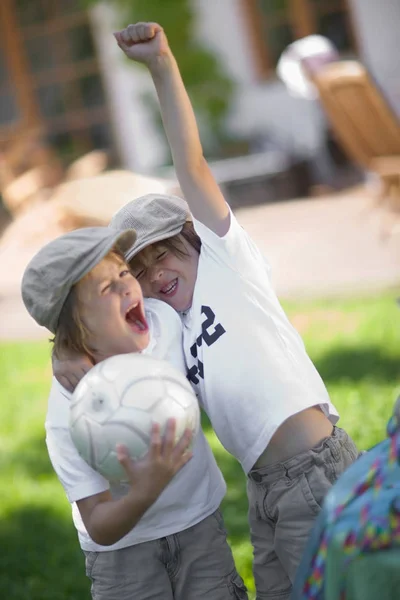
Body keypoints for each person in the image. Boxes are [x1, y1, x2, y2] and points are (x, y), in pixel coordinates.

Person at [55, 22, 359, 599]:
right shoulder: (171, 325)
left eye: (161, 254)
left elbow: (191, 165)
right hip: (262, 486)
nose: (153, 276)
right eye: (138, 272)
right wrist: (66, 357)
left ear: (193, 239)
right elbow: (101, 324)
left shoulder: (227, 262)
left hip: (313, 470)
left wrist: (162, 64)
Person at [21, 226, 247, 600]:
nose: (128, 287)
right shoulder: (70, 413)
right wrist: (144, 490)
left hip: (199, 527)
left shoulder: (164, 322)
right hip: (124, 558)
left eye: (124, 273)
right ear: (75, 331)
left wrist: (64, 348)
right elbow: (99, 525)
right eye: (107, 289)